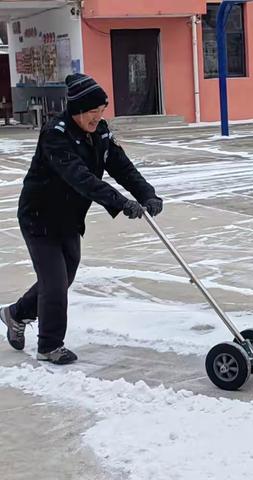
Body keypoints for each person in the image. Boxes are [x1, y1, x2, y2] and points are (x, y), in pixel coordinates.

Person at [0, 73, 163, 365]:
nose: (97, 118)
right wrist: (120, 203)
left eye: (101, 112)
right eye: (92, 112)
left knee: (64, 278)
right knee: (54, 283)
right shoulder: (55, 135)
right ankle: (49, 346)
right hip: (39, 217)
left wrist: (147, 194)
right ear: (76, 110)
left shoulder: (100, 132)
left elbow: (122, 167)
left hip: (69, 218)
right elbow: (80, 178)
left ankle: (16, 313)